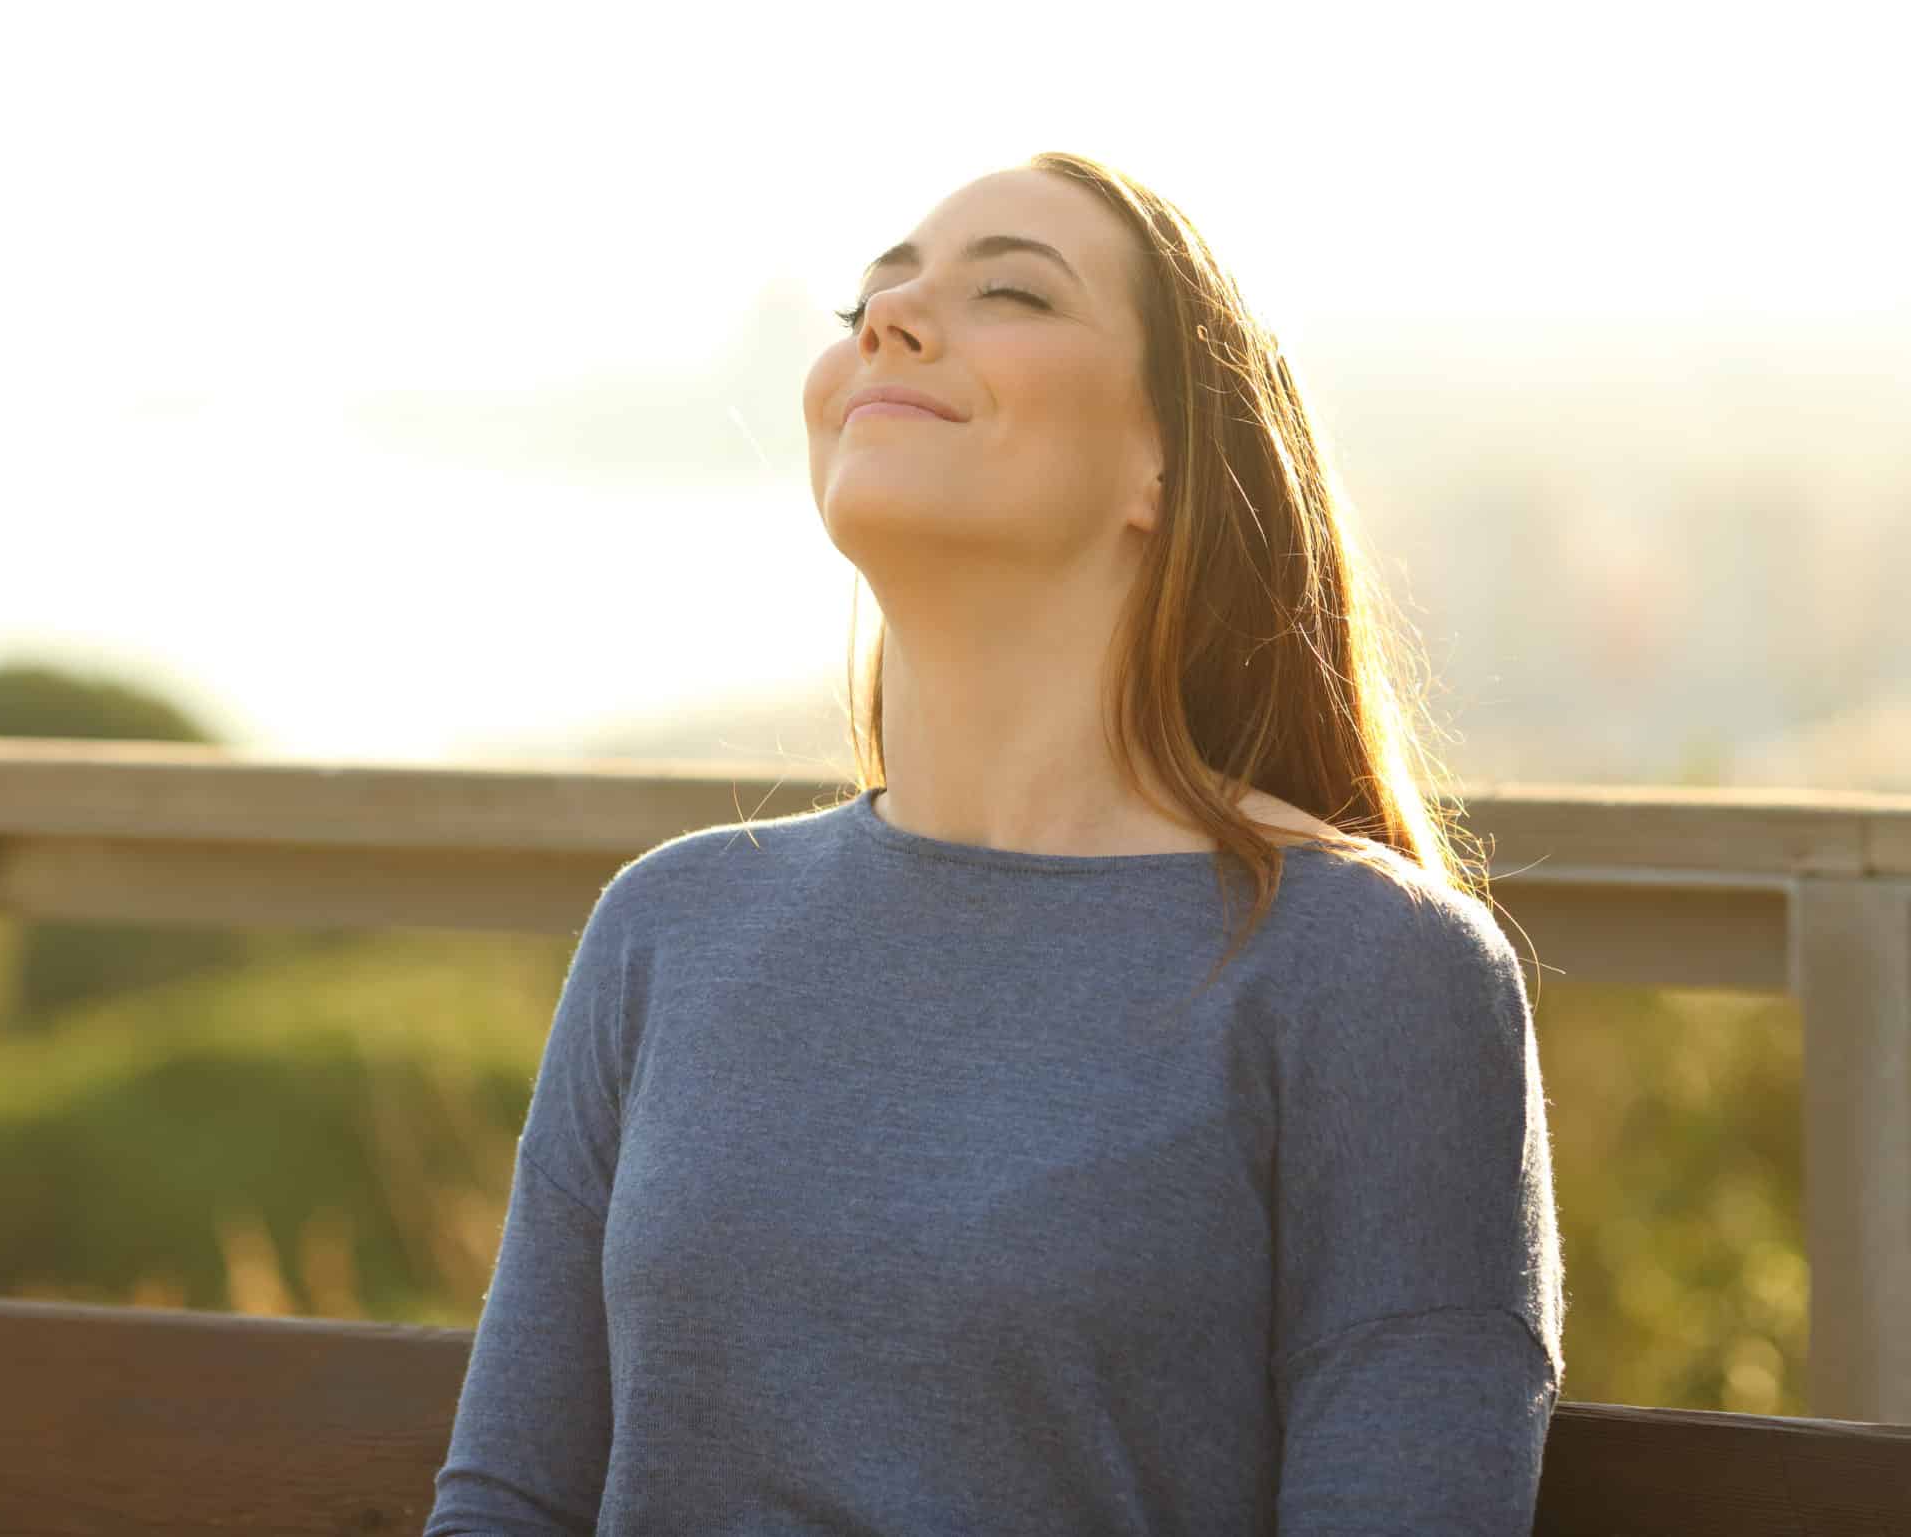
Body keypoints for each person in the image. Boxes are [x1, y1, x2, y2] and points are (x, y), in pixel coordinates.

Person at [423, 152, 1565, 1535]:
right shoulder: (670, 928)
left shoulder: (1374, 971)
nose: (889, 323)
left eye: (1010, 289)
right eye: (871, 299)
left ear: (1167, 462)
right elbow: (509, 1501)